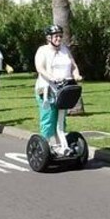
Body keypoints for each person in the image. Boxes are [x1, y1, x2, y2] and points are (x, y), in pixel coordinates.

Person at [34, 25, 82, 155]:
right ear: (49, 38)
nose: (59, 38)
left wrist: (76, 75)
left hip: (63, 89)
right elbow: (40, 68)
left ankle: (61, 145)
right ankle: (48, 147)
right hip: (46, 89)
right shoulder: (42, 50)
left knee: (61, 119)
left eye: (60, 36)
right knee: (49, 119)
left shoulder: (65, 49)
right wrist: (52, 78)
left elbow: (73, 65)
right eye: (56, 36)